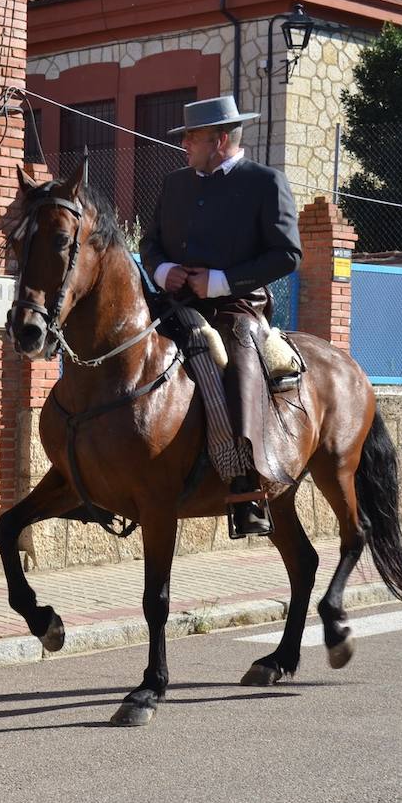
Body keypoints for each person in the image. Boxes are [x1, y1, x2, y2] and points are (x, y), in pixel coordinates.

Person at [141, 96, 302, 538]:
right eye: (187, 138)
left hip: (236, 306)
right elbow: (150, 242)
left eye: (192, 138)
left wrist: (221, 281)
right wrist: (162, 269)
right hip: (175, 303)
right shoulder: (174, 184)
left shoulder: (266, 182)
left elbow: (287, 254)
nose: (185, 145)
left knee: (239, 365)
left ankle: (246, 483)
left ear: (221, 140)